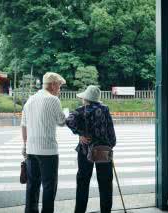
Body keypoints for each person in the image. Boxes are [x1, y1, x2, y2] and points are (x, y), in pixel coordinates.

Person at [66, 85, 116, 213]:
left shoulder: (81, 110)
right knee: (105, 184)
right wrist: (110, 145)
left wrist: (80, 134)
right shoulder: (105, 109)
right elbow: (111, 130)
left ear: (86, 99)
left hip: (85, 150)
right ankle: (106, 211)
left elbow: (69, 120)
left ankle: (79, 211)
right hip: (103, 150)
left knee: (83, 182)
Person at [21, 72, 66, 213]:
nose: (59, 89)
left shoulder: (30, 100)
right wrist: (66, 113)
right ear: (52, 85)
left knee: (32, 185)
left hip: (31, 150)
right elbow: (62, 121)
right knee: (49, 186)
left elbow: (23, 125)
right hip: (48, 151)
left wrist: (25, 145)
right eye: (59, 86)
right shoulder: (53, 100)